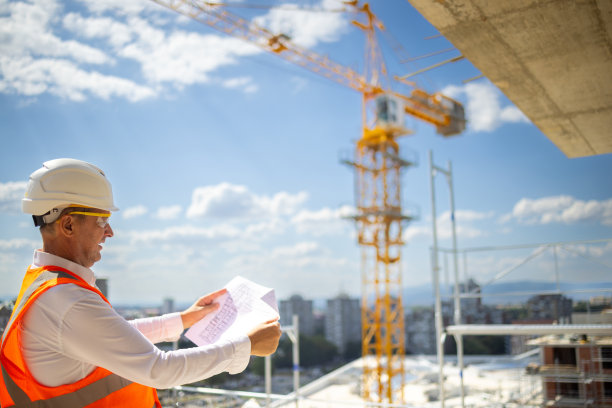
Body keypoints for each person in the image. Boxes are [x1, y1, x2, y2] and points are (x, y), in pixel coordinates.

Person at [0, 158, 281, 407]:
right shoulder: (67, 301)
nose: (109, 231)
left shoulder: (46, 284)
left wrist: (184, 319)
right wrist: (246, 345)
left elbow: (112, 335)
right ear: (69, 225)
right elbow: (159, 370)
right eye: (101, 220)